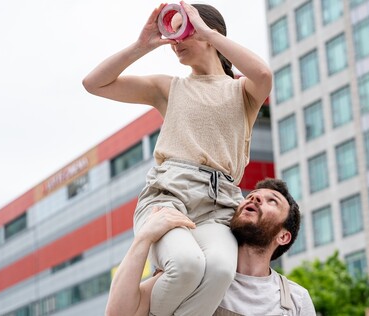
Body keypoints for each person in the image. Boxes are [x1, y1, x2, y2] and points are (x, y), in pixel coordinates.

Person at [82, 2, 272, 315]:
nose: (175, 43)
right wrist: (141, 45)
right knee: (186, 264)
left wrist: (205, 29)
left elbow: (263, 72)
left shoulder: (243, 91)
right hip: (169, 196)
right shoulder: (169, 88)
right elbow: (94, 83)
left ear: (211, 36)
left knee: (222, 271)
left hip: (219, 206)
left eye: (185, 32)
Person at [105, 178, 316, 316]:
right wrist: (144, 237)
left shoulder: (294, 301)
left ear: (283, 236)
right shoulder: (199, 273)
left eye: (273, 201)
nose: (255, 197)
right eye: (251, 195)